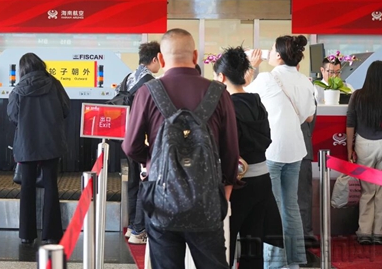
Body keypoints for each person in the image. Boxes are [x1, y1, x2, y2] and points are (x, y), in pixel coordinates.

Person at [123, 28, 239, 269]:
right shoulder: (219, 93)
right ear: (195, 56)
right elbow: (231, 150)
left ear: (161, 58)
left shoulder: (147, 92)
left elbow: (131, 146)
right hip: (207, 201)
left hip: (162, 202)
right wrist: (225, 188)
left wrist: (151, 161)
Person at [245, 36, 316, 269]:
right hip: (295, 150)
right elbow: (309, 116)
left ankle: (275, 263)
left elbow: (241, 95)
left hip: (273, 150)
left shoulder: (267, 78)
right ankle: (294, 261)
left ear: (277, 55)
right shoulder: (305, 81)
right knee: (290, 206)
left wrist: (252, 66)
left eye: (272, 48)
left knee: (272, 209)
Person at [213, 46, 279, 268]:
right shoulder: (257, 102)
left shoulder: (225, 107)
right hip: (262, 180)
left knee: (227, 241)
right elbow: (267, 139)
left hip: (237, 183)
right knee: (253, 244)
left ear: (222, 77)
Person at [7, 52, 70, 245]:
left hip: (27, 143)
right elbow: (66, 109)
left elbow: (13, 115)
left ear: (23, 69)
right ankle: (52, 234)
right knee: (51, 185)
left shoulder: (18, 89)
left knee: (27, 187)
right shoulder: (55, 84)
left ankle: (27, 234)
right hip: (51, 142)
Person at [118, 41, 161, 245]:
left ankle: (131, 228)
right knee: (144, 182)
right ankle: (138, 230)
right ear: (155, 59)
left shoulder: (129, 77)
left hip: (127, 137)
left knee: (134, 181)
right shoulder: (150, 82)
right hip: (142, 138)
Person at [346, 60, 382, 245]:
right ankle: (379, 232)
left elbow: (350, 123)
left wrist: (349, 149)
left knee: (367, 190)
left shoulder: (357, 96)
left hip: (364, 145)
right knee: (381, 191)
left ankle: (364, 232)